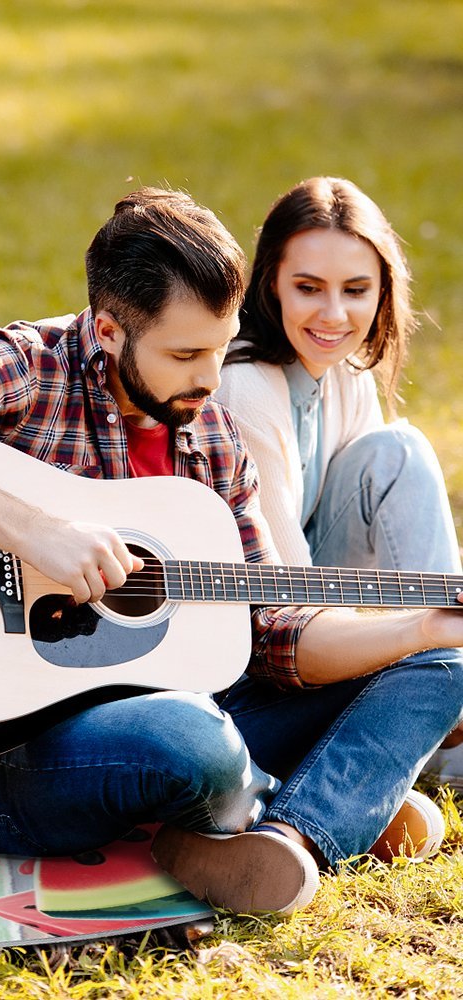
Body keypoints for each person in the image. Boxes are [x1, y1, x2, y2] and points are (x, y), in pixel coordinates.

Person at [0, 187, 463, 916]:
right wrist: (32, 531)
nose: (211, 380)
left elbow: (272, 629)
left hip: (189, 709)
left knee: (443, 664)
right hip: (0, 754)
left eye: (220, 346)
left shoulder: (211, 435)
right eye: (185, 354)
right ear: (109, 330)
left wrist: (419, 628)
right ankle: (322, 796)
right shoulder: (27, 367)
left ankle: (293, 837)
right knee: (192, 741)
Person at [216, 176, 463, 788]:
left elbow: (382, 546)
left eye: (356, 290)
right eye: (308, 288)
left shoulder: (344, 369)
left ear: (383, 291)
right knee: (400, 451)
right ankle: (441, 729)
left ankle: (441, 695)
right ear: (270, 281)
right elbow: (287, 603)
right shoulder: (246, 386)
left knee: (394, 451)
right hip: (258, 650)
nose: (334, 315)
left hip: (324, 615)